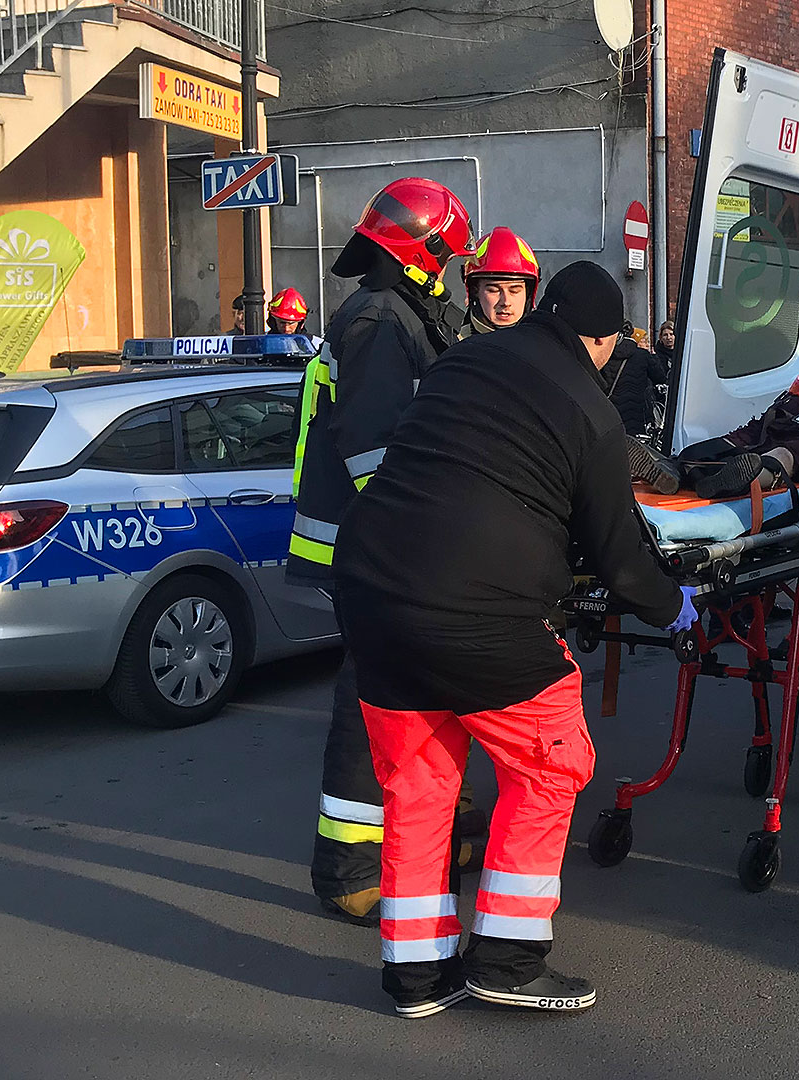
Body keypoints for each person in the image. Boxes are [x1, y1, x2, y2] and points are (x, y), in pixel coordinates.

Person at [333, 261, 693, 1017]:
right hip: (480, 614)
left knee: (419, 787)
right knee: (551, 765)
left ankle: (417, 975)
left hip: (373, 597)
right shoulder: (590, 412)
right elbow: (620, 558)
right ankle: (507, 957)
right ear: (600, 341)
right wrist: (671, 607)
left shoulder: (463, 361)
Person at [289, 176, 475, 925]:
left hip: (394, 542)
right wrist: (426, 530)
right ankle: (349, 870)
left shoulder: (405, 312)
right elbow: (374, 452)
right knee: (372, 703)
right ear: (425, 250)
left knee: (428, 690)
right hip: (376, 545)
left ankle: (439, 832)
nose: (450, 270)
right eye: (447, 257)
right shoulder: (377, 319)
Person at [601, 320, 671, 441]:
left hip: (611, 415)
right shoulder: (642, 355)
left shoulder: (604, 356)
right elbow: (660, 378)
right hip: (639, 415)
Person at [463, 227, 540, 334]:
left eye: (514, 291)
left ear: (528, 294)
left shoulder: (548, 342)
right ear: (475, 291)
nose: (505, 302)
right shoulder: (452, 341)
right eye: (493, 290)